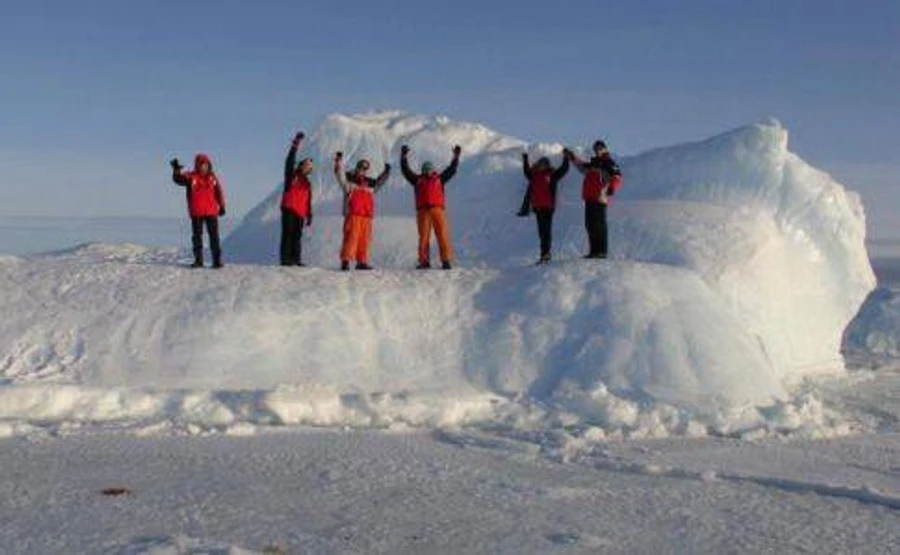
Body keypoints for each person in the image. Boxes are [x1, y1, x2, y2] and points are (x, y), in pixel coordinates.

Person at [400, 144, 461, 269]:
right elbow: (406, 171)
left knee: (442, 234)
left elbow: (452, 170)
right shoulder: (417, 180)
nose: (427, 170)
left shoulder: (440, 179)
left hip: (437, 210)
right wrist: (403, 156)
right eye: (425, 169)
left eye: (429, 169)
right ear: (422, 170)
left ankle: (446, 260)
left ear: (433, 170)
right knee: (424, 237)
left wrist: (456, 156)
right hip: (423, 211)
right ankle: (424, 261)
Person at [333, 152, 391, 271]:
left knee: (364, 239)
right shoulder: (349, 180)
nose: (363, 170)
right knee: (351, 238)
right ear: (357, 167)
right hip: (353, 214)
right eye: (361, 167)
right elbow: (339, 175)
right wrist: (338, 162)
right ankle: (345, 261)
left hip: (367, 215)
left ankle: (361, 262)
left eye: (365, 168)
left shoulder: (370, 183)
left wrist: (386, 172)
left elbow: (379, 182)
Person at [170, 153, 227, 268]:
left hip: (211, 211)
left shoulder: (213, 178)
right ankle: (198, 261)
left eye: (205, 164)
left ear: (208, 165)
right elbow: (178, 180)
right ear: (197, 165)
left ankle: (217, 261)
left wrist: (222, 206)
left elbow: (219, 192)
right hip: (196, 212)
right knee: (197, 237)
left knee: (214, 237)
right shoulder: (191, 177)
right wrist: (176, 170)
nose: (203, 167)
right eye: (201, 164)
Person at [568, 140, 622, 259]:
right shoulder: (593, 163)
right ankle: (594, 251)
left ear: (605, 149)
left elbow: (617, 176)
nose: (597, 150)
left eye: (600, 148)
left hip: (600, 197)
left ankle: (601, 251)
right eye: (596, 148)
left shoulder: (608, 162)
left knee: (599, 224)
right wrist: (572, 157)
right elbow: (581, 167)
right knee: (590, 224)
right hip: (589, 197)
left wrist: (612, 187)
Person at [516, 150, 571, 264]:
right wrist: (525, 159)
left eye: (544, 164)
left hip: (548, 207)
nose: (542, 165)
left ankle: (546, 254)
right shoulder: (534, 175)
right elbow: (526, 172)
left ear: (547, 165)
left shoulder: (552, 175)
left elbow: (563, 170)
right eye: (541, 163)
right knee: (541, 232)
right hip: (538, 208)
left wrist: (566, 158)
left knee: (546, 231)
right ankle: (544, 255)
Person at [281, 131, 314, 266]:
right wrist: (295, 144)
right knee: (288, 234)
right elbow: (289, 161)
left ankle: (296, 259)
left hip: (300, 212)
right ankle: (286, 259)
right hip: (289, 208)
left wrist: (309, 214)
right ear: (300, 166)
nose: (307, 168)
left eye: (309, 167)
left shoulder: (307, 183)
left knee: (297, 236)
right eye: (305, 165)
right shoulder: (292, 175)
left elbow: (308, 200)